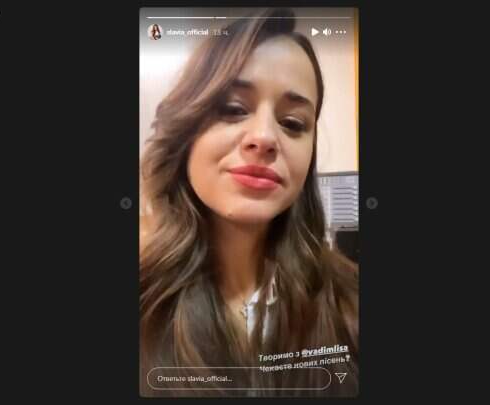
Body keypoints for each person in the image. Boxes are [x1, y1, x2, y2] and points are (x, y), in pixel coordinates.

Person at [139, 8, 358, 397]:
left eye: (292, 123)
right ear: (186, 133)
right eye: (233, 110)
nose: (265, 137)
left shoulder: (351, 302)